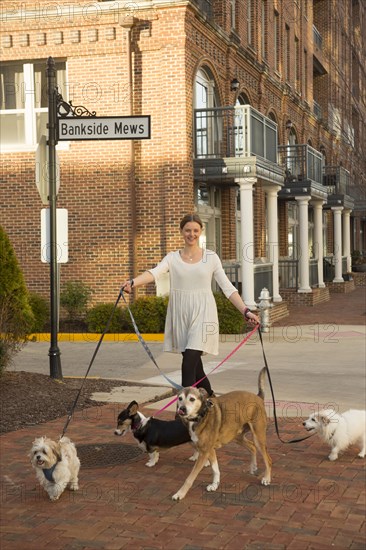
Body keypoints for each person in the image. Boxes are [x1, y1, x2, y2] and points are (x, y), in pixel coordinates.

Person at [121, 213, 259, 396]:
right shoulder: (172, 258)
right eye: (187, 230)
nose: (191, 234)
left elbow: (228, 288)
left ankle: (184, 416)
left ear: (201, 231)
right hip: (181, 315)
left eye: (195, 230)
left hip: (204, 314)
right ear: (181, 232)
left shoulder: (211, 258)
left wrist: (246, 310)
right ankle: (210, 402)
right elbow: (154, 273)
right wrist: (133, 282)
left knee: (188, 363)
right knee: (196, 368)